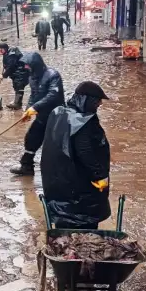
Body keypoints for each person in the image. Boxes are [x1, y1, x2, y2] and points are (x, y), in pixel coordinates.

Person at [41, 81, 111, 229]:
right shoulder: (83, 122)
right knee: (83, 227)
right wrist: (99, 175)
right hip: (78, 187)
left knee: (64, 226)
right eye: (97, 101)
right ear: (87, 100)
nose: (99, 104)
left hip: (58, 183)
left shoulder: (58, 113)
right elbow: (85, 151)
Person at [10, 52, 65, 176]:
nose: (25, 67)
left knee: (55, 144)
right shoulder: (32, 77)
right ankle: (27, 166)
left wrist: (35, 107)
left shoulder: (53, 75)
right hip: (42, 116)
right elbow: (33, 95)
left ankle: (59, 170)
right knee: (31, 138)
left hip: (56, 116)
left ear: (35, 64)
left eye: (27, 65)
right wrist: (28, 110)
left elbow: (53, 95)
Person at [0, 43, 29, 109]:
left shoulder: (12, 55)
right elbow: (7, 65)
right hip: (16, 73)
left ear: (5, 49)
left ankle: (17, 104)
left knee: (19, 87)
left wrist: (3, 75)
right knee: (16, 86)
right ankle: (17, 102)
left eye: (1, 49)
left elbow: (11, 66)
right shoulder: (7, 53)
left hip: (21, 73)